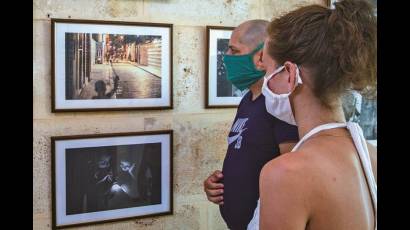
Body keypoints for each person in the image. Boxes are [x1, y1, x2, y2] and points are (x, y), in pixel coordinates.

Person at [247, 0, 377, 229]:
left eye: (267, 69)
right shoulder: (372, 156)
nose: (265, 80)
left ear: (289, 73)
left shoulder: (286, 173)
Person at [203, 20, 299, 229]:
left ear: (261, 56)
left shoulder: (279, 105)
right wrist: (219, 184)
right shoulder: (248, 100)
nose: (226, 56)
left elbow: (293, 177)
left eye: (234, 50)